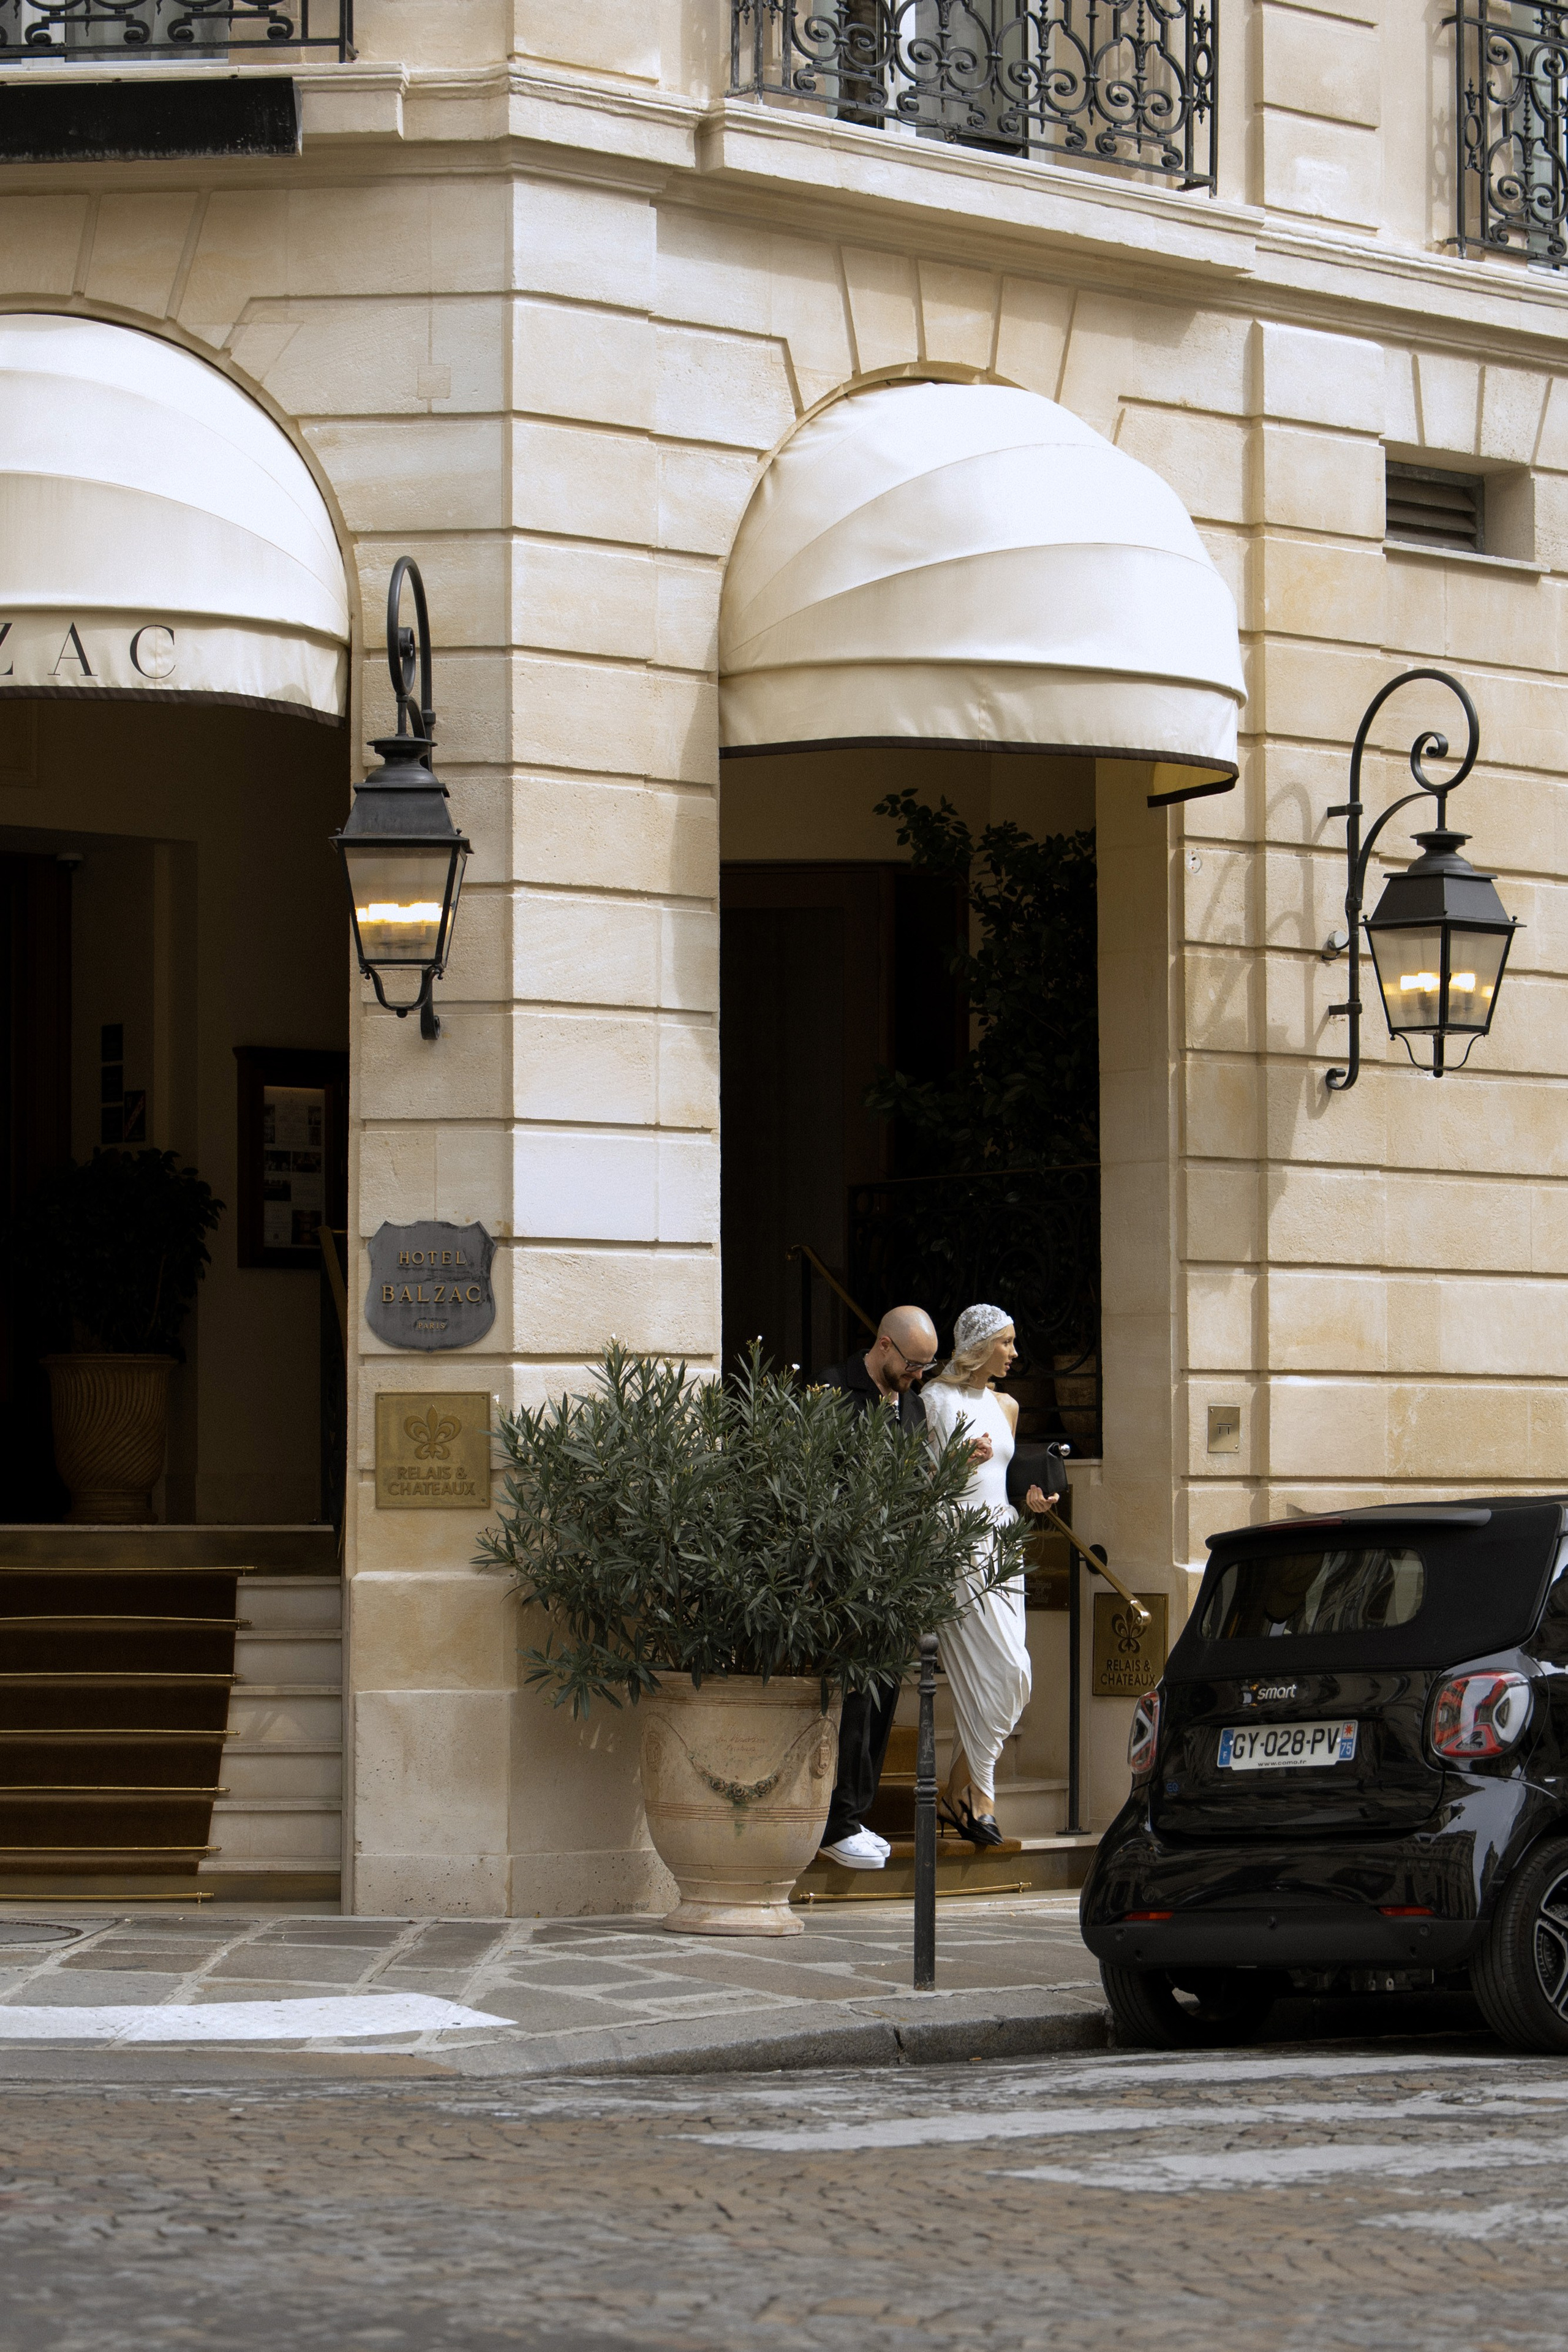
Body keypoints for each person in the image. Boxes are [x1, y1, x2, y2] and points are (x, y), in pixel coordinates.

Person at [921, 1303, 1056, 1849]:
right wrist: (955, 1466)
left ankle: (959, 1788)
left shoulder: (1007, 1405)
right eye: (1007, 1342)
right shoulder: (934, 1399)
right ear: (979, 1348)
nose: (1015, 1353)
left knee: (1013, 1674)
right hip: (955, 1541)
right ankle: (981, 1797)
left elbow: (1006, 1478)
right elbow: (918, 1482)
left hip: (1003, 1544)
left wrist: (1032, 1501)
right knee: (1001, 1669)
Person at [816, 1304, 940, 1870]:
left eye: (926, 1368)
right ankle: (835, 1821)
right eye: (913, 1365)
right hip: (844, 1573)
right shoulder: (830, 1391)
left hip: (895, 1573)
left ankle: (855, 1816)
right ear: (885, 1346)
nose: (918, 1377)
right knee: (854, 1698)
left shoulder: (911, 1404)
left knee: (886, 1694)